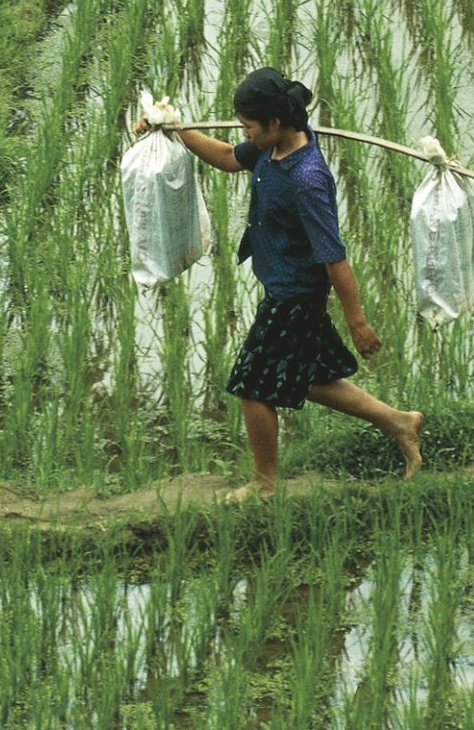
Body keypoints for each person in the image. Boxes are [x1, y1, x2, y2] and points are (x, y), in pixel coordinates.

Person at [134, 67, 423, 500]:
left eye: (248, 125)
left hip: (296, 295)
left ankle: (264, 483)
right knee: (307, 377)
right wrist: (174, 130)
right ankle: (401, 422)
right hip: (283, 285)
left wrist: (357, 321)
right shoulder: (271, 148)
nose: (243, 132)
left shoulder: (306, 180)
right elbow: (231, 158)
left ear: (274, 122)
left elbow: (335, 257)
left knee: (252, 384)